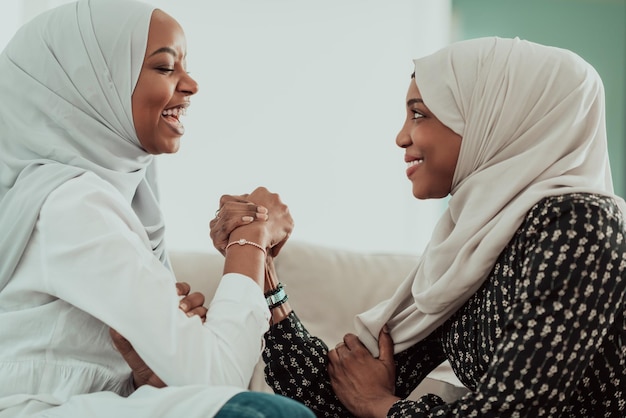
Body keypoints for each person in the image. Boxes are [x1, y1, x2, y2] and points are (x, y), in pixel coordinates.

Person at [211, 37, 626, 416]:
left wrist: (381, 406)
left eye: (419, 114)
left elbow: (512, 412)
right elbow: (334, 398)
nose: (401, 137)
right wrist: (261, 266)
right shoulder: (477, 239)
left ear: (493, 116)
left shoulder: (579, 224)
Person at [0, 0, 314, 417]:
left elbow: (70, 360)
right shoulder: (70, 203)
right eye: (166, 68)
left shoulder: (100, 198)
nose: (191, 85)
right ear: (95, 84)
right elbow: (216, 378)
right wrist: (250, 239)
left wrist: (143, 377)